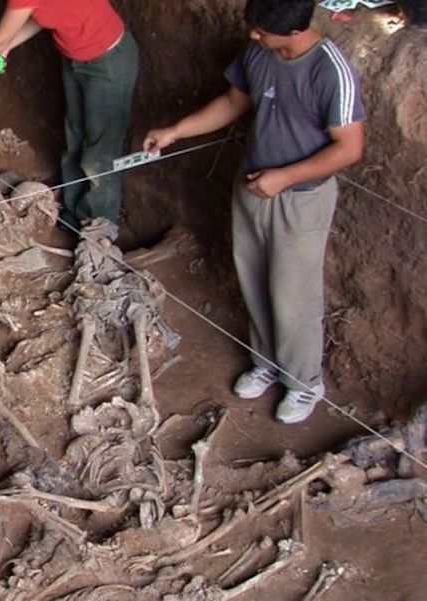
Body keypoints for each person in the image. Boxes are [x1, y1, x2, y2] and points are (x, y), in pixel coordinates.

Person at [143, 0, 365, 424]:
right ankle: (267, 362)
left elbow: (350, 148)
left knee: (293, 292)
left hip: (301, 197)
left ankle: (304, 383)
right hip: (252, 184)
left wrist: (284, 177)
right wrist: (176, 131)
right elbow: (232, 102)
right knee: (254, 276)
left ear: (294, 30)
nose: (252, 35)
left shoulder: (330, 70)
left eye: (262, 30)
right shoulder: (260, 53)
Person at [0, 0, 138, 232]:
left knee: (100, 151)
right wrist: (8, 46)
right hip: (76, 59)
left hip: (107, 61)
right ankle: (72, 208)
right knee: (75, 133)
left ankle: (98, 225)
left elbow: (0, 39)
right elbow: (39, 15)